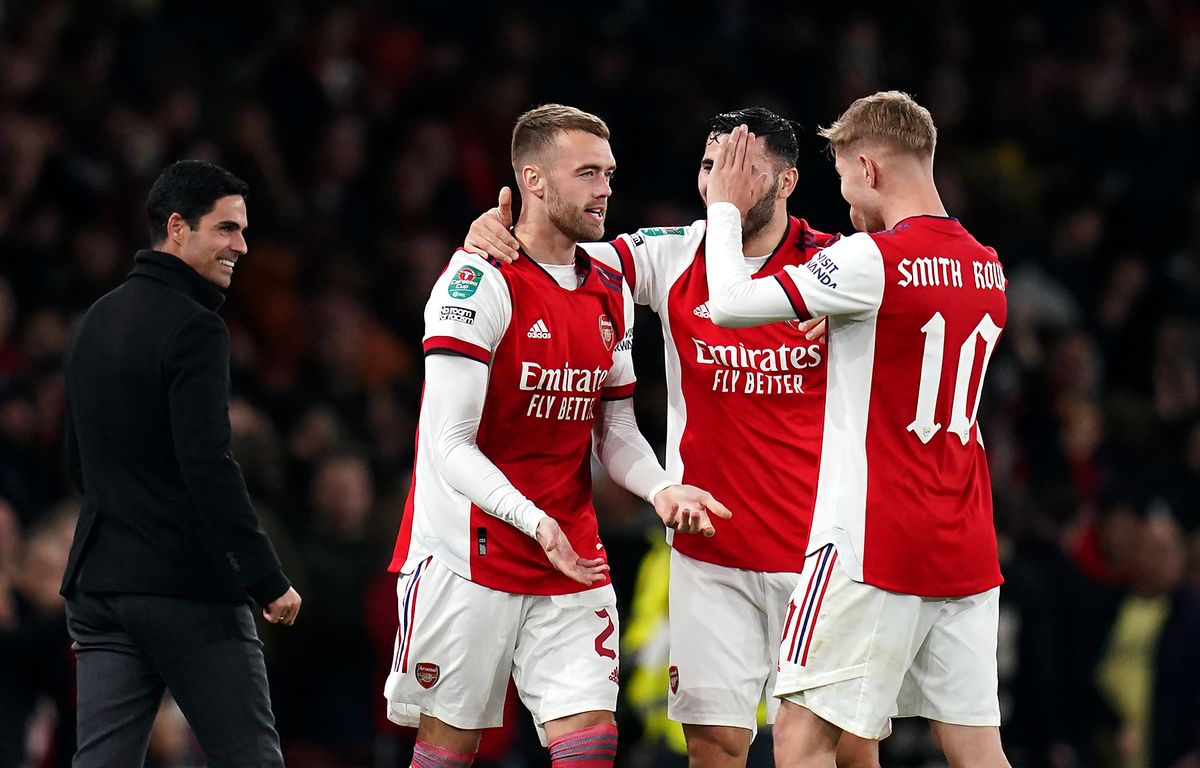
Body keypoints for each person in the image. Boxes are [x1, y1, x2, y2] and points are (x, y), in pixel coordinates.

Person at [464, 108, 879, 768]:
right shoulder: (673, 253)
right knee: (713, 747)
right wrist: (495, 234)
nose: (722, 186)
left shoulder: (836, 265)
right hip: (710, 558)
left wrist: (861, 325)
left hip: (819, 557)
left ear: (788, 182)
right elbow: (558, 256)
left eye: (744, 172)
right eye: (711, 167)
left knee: (850, 751)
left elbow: (918, 322)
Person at [383, 104, 729, 768]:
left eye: (609, 173)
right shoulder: (475, 283)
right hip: (467, 552)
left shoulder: (610, 290)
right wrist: (532, 520)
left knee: (592, 745)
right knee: (449, 750)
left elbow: (616, 426)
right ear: (535, 181)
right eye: (587, 173)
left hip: (570, 552)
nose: (605, 188)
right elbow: (449, 444)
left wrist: (659, 489)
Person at [702, 93, 1011, 768]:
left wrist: (724, 208)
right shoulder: (987, 264)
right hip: (963, 540)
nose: (845, 204)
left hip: (872, 539)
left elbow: (727, 303)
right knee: (976, 749)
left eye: (844, 180)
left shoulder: (872, 259)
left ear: (868, 168)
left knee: (803, 738)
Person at [60, 160, 302, 768]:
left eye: (242, 231)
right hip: (185, 589)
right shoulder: (196, 327)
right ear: (177, 228)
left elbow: (77, 458)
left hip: (100, 582)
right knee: (252, 758)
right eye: (225, 229)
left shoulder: (97, 319)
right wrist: (264, 578)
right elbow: (208, 464)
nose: (241, 247)